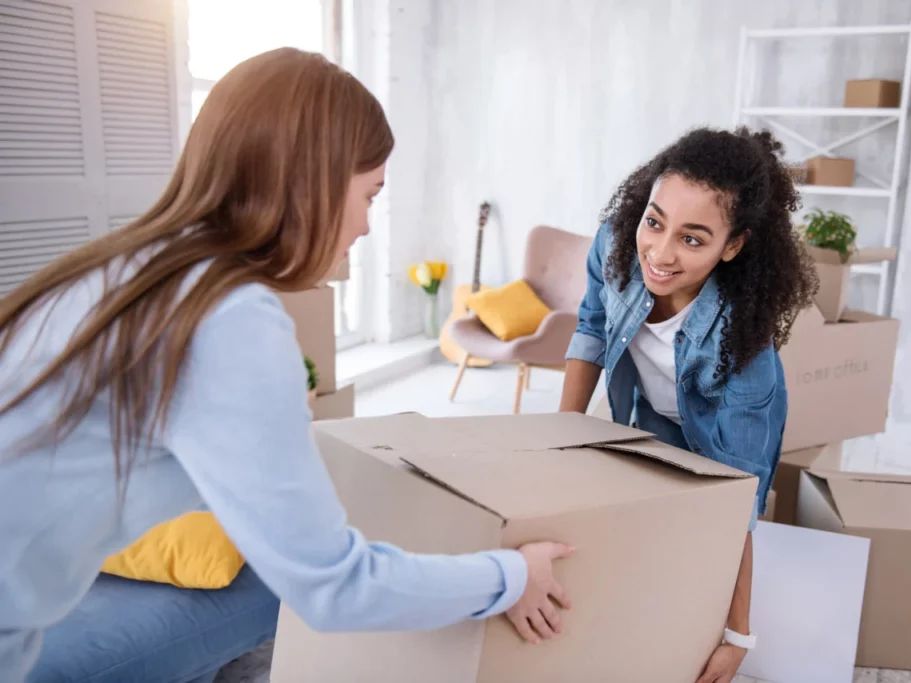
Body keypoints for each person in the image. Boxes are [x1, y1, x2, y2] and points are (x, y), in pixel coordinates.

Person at [0, 48, 573, 682]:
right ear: (313, 182)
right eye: (369, 195)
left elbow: (123, 462)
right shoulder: (225, 315)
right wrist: (512, 575)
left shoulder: (124, 270)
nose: (363, 225)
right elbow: (334, 587)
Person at [560, 127, 817, 683]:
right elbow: (592, 328)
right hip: (646, 413)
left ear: (733, 245)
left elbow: (737, 500)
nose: (660, 253)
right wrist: (559, 435)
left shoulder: (747, 357)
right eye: (655, 221)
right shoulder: (614, 245)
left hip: (711, 432)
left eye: (693, 239)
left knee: (701, 541)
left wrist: (738, 636)